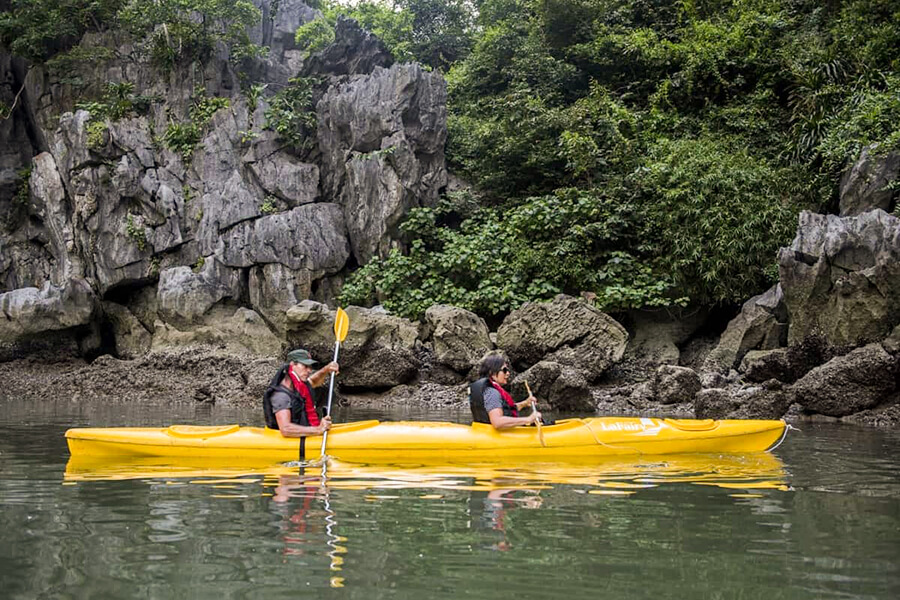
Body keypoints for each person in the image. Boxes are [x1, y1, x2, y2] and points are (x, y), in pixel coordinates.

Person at [263, 348, 339, 438]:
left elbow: (313, 382)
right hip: (288, 442)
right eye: (305, 366)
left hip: (308, 433)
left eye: (310, 367)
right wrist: (318, 429)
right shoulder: (281, 396)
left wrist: (326, 369)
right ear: (292, 365)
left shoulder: (299, 386)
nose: (309, 370)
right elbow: (286, 429)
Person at [469, 352, 542, 429]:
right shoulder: (492, 393)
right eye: (504, 370)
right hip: (495, 436)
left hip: (484, 431)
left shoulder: (489, 390)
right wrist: (528, 419)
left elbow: (507, 410)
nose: (508, 373)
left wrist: (525, 403)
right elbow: (497, 422)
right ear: (492, 373)